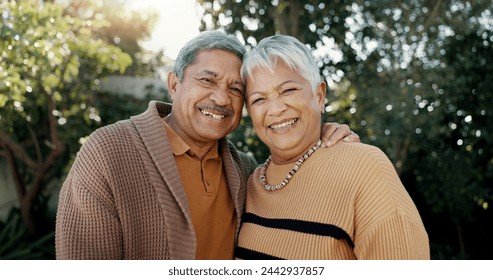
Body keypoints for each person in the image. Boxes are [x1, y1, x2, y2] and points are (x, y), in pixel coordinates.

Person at [55, 30, 359, 260]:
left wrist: (321, 134)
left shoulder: (247, 171)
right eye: (207, 81)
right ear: (175, 85)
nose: (221, 98)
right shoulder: (108, 152)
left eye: (235, 89)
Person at [235, 35, 430, 260]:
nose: (276, 109)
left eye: (288, 90)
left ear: (319, 96)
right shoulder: (249, 183)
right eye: (259, 100)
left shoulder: (365, 167)